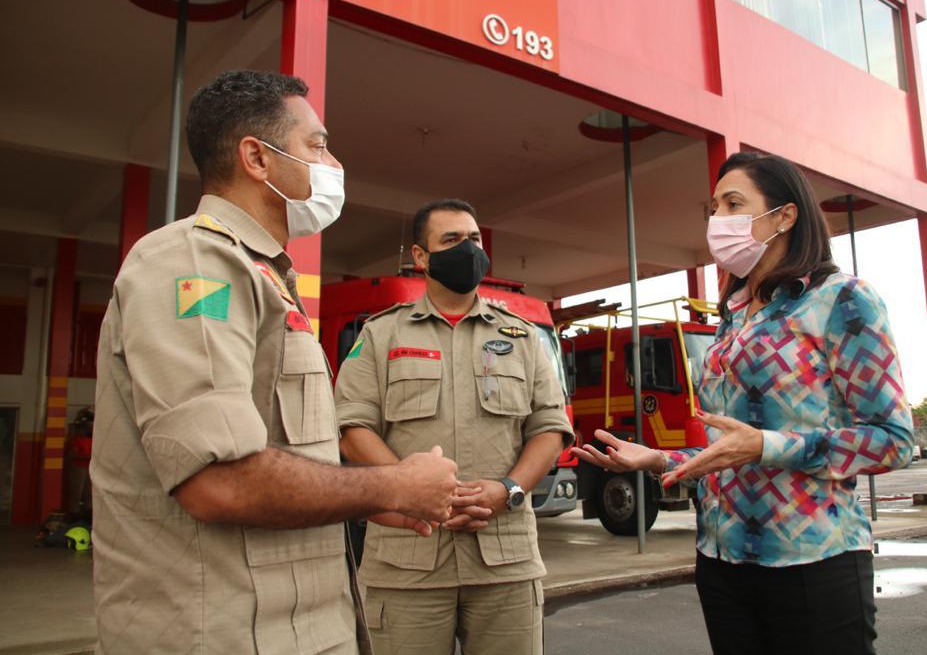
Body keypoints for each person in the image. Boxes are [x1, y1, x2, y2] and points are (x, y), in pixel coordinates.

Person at [91, 70, 459, 654]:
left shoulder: (263, 274)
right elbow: (218, 482)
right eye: (317, 145)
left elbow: (280, 459)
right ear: (257, 159)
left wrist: (377, 497)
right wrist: (392, 486)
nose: (332, 162)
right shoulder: (196, 264)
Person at [572, 152, 913, 655]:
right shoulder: (734, 317)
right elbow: (731, 449)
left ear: (784, 215)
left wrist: (769, 447)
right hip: (722, 561)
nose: (718, 221)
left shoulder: (842, 300)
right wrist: (662, 460)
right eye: (713, 208)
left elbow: (893, 441)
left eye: (734, 204)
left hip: (811, 562)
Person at [334, 198, 574, 655]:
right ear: (420, 257)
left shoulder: (520, 337)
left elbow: (550, 426)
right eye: (451, 240)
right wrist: (411, 489)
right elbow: (351, 426)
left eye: (474, 239)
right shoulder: (381, 334)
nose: (467, 249)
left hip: (505, 561)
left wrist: (509, 490)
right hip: (408, 566)